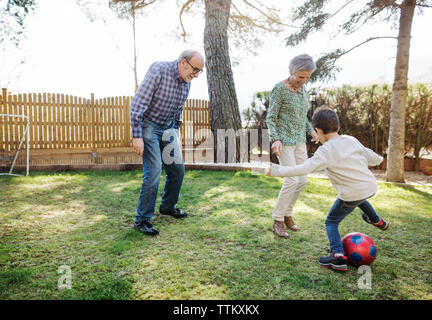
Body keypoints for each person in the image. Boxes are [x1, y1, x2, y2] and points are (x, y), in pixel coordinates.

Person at [266, 107, 390, 271]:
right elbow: (368, 154)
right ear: (338, 127)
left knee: (331, 222)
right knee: (359, 198)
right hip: (370, 186)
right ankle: (377, 220)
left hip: (352, 193)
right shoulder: (350, 139)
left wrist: (277, 170)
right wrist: (379, 159)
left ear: (317, 130)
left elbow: (304, 168)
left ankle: (338, 257)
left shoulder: (325, 151)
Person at [130, 49, 205, 236]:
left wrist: (175, 132)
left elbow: (178, 110)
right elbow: (137, 105)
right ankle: (142, 220)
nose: (196, 75)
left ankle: (167, 206)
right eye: (195, 70)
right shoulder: (159, 70)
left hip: (168, 128)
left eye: (199, 72)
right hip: (149, 126)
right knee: (154, 170)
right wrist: (137, 136)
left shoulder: (186, 83)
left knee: (177, 169)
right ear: (183, 62)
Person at [265, 54, 319, 238]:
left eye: (307, 77)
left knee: (302, 180)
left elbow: (301, 116)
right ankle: (278, 220)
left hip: (299, 142)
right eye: (300, 77)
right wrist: (275, 139)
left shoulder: (303, 90)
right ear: (291, 71)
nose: (303, 81)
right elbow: (271, 118)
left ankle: (287, 214)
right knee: (292, 180)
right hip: (284, 142)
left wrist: (311, 131)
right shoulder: (279, 89)